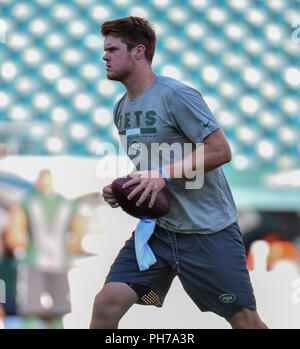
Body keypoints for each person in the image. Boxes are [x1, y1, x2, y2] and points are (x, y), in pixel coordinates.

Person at [90, 16, 268, 329]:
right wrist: (125, 185)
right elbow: (149, 164)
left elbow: (220, 150)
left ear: (138, 52)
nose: (104, 56)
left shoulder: (177, 96)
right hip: (159, 231)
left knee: (245, 322)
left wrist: (163, 174)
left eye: (113, 49)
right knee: (106, 304)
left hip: (207, 231)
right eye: (105, 50)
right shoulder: (121, 109)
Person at [5, 169, 85, 329]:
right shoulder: (67, 204)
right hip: (59, 261)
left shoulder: (27, 202)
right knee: (58, 308)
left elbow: (14, 236)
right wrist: (68, 251)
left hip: (34, 260)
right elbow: (78, 235)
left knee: (31, 308)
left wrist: (21, 249)